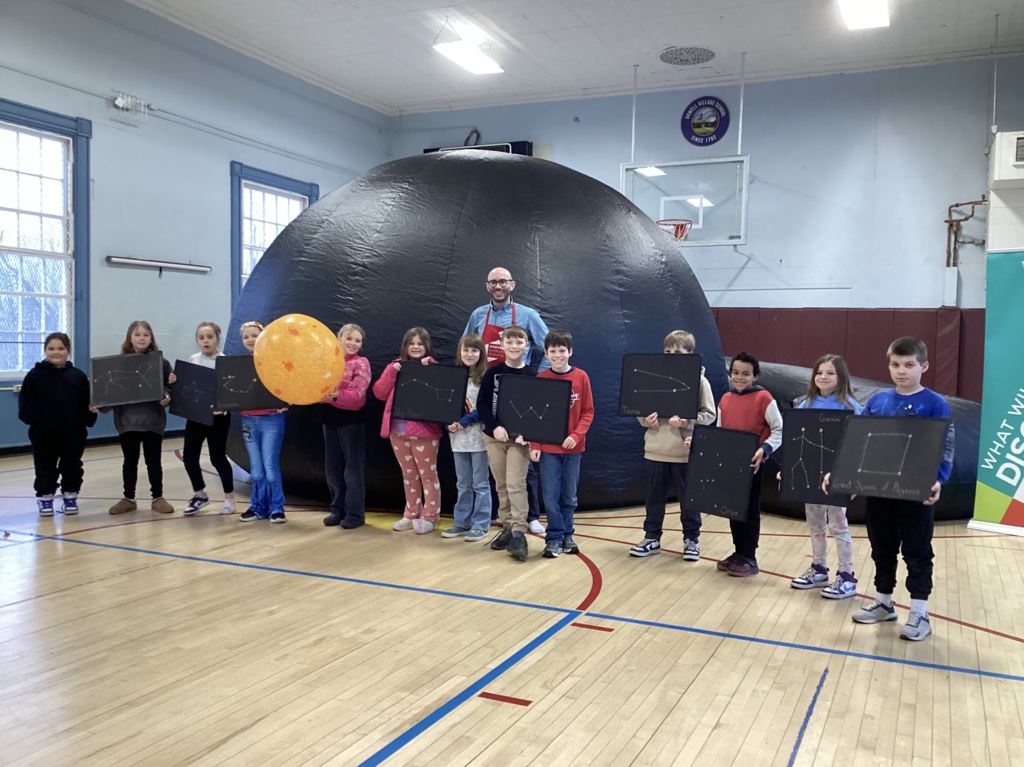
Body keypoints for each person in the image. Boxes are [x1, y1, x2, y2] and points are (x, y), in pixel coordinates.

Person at [824, 337, 955, 642]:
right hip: (880, 490)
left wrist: (938, 480)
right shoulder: (877, 401)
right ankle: (884, 603)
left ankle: (920, 613)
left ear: (923, 366)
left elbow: (945, 447)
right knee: (882, 547)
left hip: (915, 493)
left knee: (917, 552)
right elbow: (860, 444)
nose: (901, 371)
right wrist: (845, 475)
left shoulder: (936, 404)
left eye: (909, 365)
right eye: (895, 364)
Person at [464, 266, 549, 534]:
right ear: (487, 286)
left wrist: (540, 380)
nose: (498, 286)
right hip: (489, 387)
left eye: (503, 282)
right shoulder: (479, 315)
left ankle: (531, 516)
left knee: (524, 465)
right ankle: (505, 521)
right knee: (500, 468)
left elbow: (547, 345)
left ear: (512, 284)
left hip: (520, 389)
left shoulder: (527, 314)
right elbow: (468, 346)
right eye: (493, 282)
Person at [629, 330, 717, 561]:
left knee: (689, 500)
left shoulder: (700, 381)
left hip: (684, 453)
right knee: (654, 499)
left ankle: (691, 540)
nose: (671, 355)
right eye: (668, 351)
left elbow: (709, 414)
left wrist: (688, 421)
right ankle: (652, 538)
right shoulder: (654, 377)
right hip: (656, 450)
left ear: (690, 354)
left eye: (677, 352)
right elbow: (641, 411)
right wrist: (645, 420)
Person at [785, 354, 862, 598]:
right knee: (815, 524)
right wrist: (787, 471)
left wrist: (852, 477)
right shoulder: (804, 405)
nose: (823, 377)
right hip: (811, 477)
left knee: (838, 525)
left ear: (841, 377)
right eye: (819, 372)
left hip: (837, 478)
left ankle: (846, 575)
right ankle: (819, 567)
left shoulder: (850, 407)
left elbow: (858, 445)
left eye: (830, 373)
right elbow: (794, 443)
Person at [702, 352, 783, 577]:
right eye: (736, 373)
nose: (740, 377)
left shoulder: (764, 398)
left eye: (746, 374)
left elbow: (779, 430)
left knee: (750, 511)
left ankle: (750, 557)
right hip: (730, 466)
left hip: (753, 466)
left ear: (755, 376)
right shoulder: (726, 399)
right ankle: (739, 553)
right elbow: (720, 431)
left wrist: (763, 449)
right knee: (734, 510)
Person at [95, 321, 175, 516]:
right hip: (127, 421)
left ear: (151, 338)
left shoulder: (161, 363)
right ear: (130, 338)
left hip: (152, 421)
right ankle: (128, 498)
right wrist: (99, 404)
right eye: (137, 334)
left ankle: (158, 497)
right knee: (130, 460)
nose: (141, 338)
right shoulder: (118, 364)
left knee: (153, 460)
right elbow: (109, 389)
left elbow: (169, 389)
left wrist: (167, 396)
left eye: (146, 334)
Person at [528, 329, 594, 558]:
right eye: (553, 351)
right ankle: (554, 538)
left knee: (569, 495)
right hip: (548, 450)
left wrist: (576, 435)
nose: (558, 355)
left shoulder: (581, 377)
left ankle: (568, 535)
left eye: (562, 350)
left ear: (570, 352)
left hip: (573, 448)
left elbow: (588, 412)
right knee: (550, 495)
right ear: (546, 353)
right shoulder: (542, 379)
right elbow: (535, 417)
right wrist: (535, 445)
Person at [372, 327, 444, 534]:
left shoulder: (433, 367)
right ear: (405, 346)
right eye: (412, 343)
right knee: (408, 474)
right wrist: (392, 371)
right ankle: (411, 514)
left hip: (425, 432)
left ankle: (429, 517)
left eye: (420, 344)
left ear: (427, 347)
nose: (416, 347)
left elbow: (439, 394)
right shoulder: (396, 366)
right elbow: (379, 392)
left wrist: (427, 368)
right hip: (397, 430)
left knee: (428, 475)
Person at [18, 333, 97, 516]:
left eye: (61, 348)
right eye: (51, 348)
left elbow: (88, 402)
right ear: (45, 351)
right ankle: (45, 498)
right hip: (44, 434)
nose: (56, 352)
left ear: (68, 351)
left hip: (73, 433)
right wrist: (38, 423)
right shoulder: (34, 376)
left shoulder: (77, 376)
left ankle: (70, 496)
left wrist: (86, 416)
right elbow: (26, 405)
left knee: (72, 465)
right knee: (44, 466)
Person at [478, 326, 535, 562]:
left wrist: (528, 433)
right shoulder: (493, 373)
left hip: (519, 441)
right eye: (509, 342)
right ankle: (508, 527)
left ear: (526, 346)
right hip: (495, 438)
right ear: (501, 345)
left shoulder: (532, 376)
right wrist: (495, 427)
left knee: (515, 483)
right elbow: (482, 405)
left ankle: (520, 532)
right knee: (501, 484)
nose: (513, 346)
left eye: (518, 342)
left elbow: (537, 411)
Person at [236, 321, 289, 523]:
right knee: (256, 467)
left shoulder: (275, 361)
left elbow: (288, 384)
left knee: (270, 465)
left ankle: (276, 507)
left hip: (271, 418)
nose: (250, 339)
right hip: (248, 419)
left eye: (254, 335)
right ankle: (257, 506)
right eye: (246, 336)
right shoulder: (240, 364)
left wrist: (286, 401)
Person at [321, 324, 371, 529]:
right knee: (333, 469)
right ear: (338, 338)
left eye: (357, 340)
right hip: (329, 419)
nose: (353, 343)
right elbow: (315, 390)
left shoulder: (362, 363)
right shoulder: (328, 361)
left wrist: (334, 396)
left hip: (351, 422)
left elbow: (357, 396)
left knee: (352, 471)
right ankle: (337, 509)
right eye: (349, 338)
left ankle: (354, 514)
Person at [182, 322, 235, 516]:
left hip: (218, 419)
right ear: (197, 340)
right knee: (189, 458)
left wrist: (224, 408)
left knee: (217, 458)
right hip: (196, 417)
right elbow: (188, 388)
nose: (206, 341)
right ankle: (199, 495)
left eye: (209, 337)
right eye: (201, 337)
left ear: (217, 339)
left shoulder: (225, 361)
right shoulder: (192, 360)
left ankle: (229, 498)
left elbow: (230, 392)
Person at [443, 333, 491, 542]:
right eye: (466, 350)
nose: (469, 354)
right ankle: (461, 522)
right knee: (462, 484)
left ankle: (480, 525)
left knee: (480, 484)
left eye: (474, 350)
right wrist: (449, 423)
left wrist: (463, 421)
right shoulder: (455, 376)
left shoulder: (485, 378)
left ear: (481, 353)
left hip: (479, 440)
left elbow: (485, 407)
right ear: (459, 352)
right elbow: (445, 405)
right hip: (458, 441)